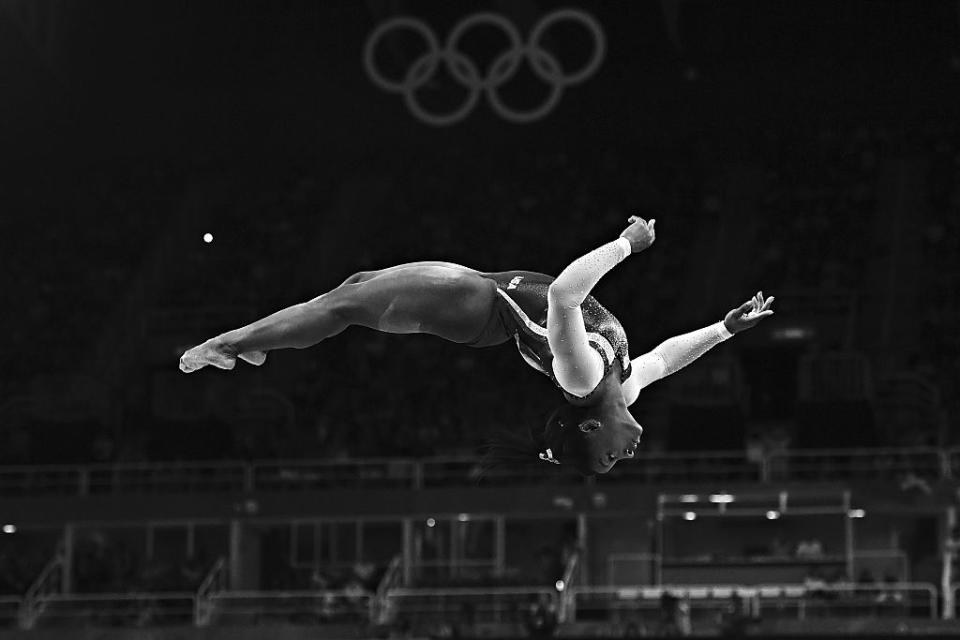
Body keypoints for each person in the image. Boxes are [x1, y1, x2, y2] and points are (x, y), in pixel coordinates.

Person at [179, 217, 775, 475]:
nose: (631, 455)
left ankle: (227, 343)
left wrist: (625, 244)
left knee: (344, 308)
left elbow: (566, 296)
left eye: (613, 458)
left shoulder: (582, 378)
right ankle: (257, 346)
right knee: (355, 289)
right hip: (484, 293)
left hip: (477, 306)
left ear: (592, 430)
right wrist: (724, 329)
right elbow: (666, 356)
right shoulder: (626, 386)